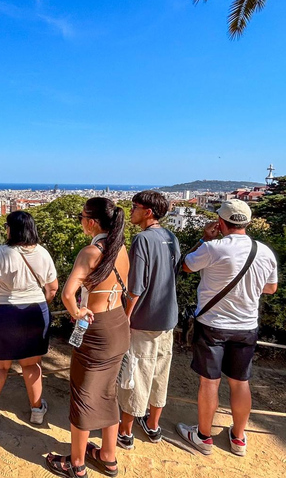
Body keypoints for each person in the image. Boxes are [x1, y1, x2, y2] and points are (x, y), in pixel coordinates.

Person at [177, 199, 277, 457]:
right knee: (240, 382)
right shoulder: (264, 251)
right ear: (248, 222)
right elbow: (271, 288)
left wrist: (203, 239)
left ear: (221, 222)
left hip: (212, 324)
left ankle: (203, 436)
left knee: (209, 382)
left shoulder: (214, 248)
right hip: (246, 326)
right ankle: (238, 438)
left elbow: (185, 266)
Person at [46, 197, 130, 478]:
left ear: (92, 222)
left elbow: (68, 294)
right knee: (108, 391)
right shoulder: (121, 250)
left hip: (96, 328)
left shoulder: (91, 252)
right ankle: (108, 457)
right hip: (118, 324)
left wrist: (78, 312)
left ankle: (77, 462)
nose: (80, 221)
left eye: (81, 216)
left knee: (82, 393)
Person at [0, 211, 59, 428]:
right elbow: (53, 288)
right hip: (34, 312)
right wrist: (39, 303)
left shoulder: (1, 253)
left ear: (13, 229)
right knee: (32, 364)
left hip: (3, 312)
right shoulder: (43, 253)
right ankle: (37, 410)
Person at [117, 191, 181, 449]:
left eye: (135, 207)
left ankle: (125, 432)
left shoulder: (142, 240)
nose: (131, 210)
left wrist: (125, 318)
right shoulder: (170, 237)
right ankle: (153, 426)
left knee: (136, 375)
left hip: (144, 320)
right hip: (168, 317)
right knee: (159, 374)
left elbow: (136, 287)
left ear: (149, 212)